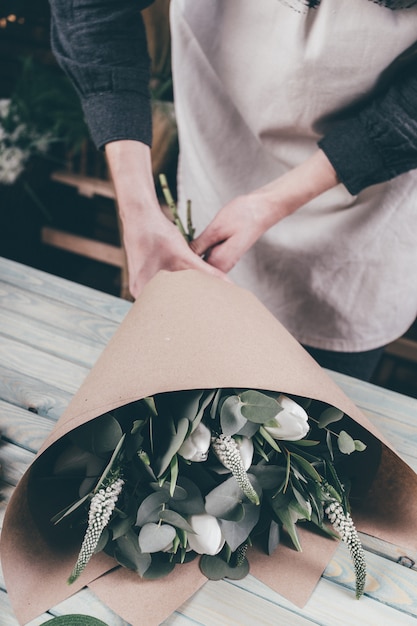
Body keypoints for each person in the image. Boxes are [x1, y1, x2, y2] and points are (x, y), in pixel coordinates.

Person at [48, 0, 417, 381]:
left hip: (364, 222)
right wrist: (138, 210)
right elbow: (91, 11)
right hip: (217, 167)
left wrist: (270, 203)